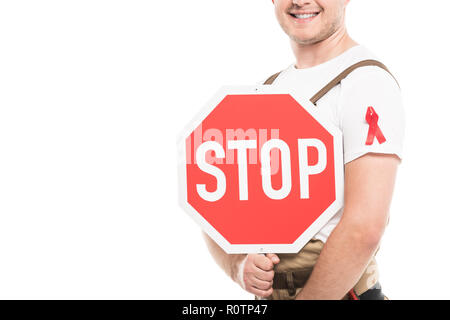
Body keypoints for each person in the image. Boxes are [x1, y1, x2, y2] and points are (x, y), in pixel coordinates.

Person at [202, 0, 404, 300]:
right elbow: (212, 203)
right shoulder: (264, 91)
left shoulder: (365, 82)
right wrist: (238, 265)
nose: (300, 1)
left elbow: (365, 227)